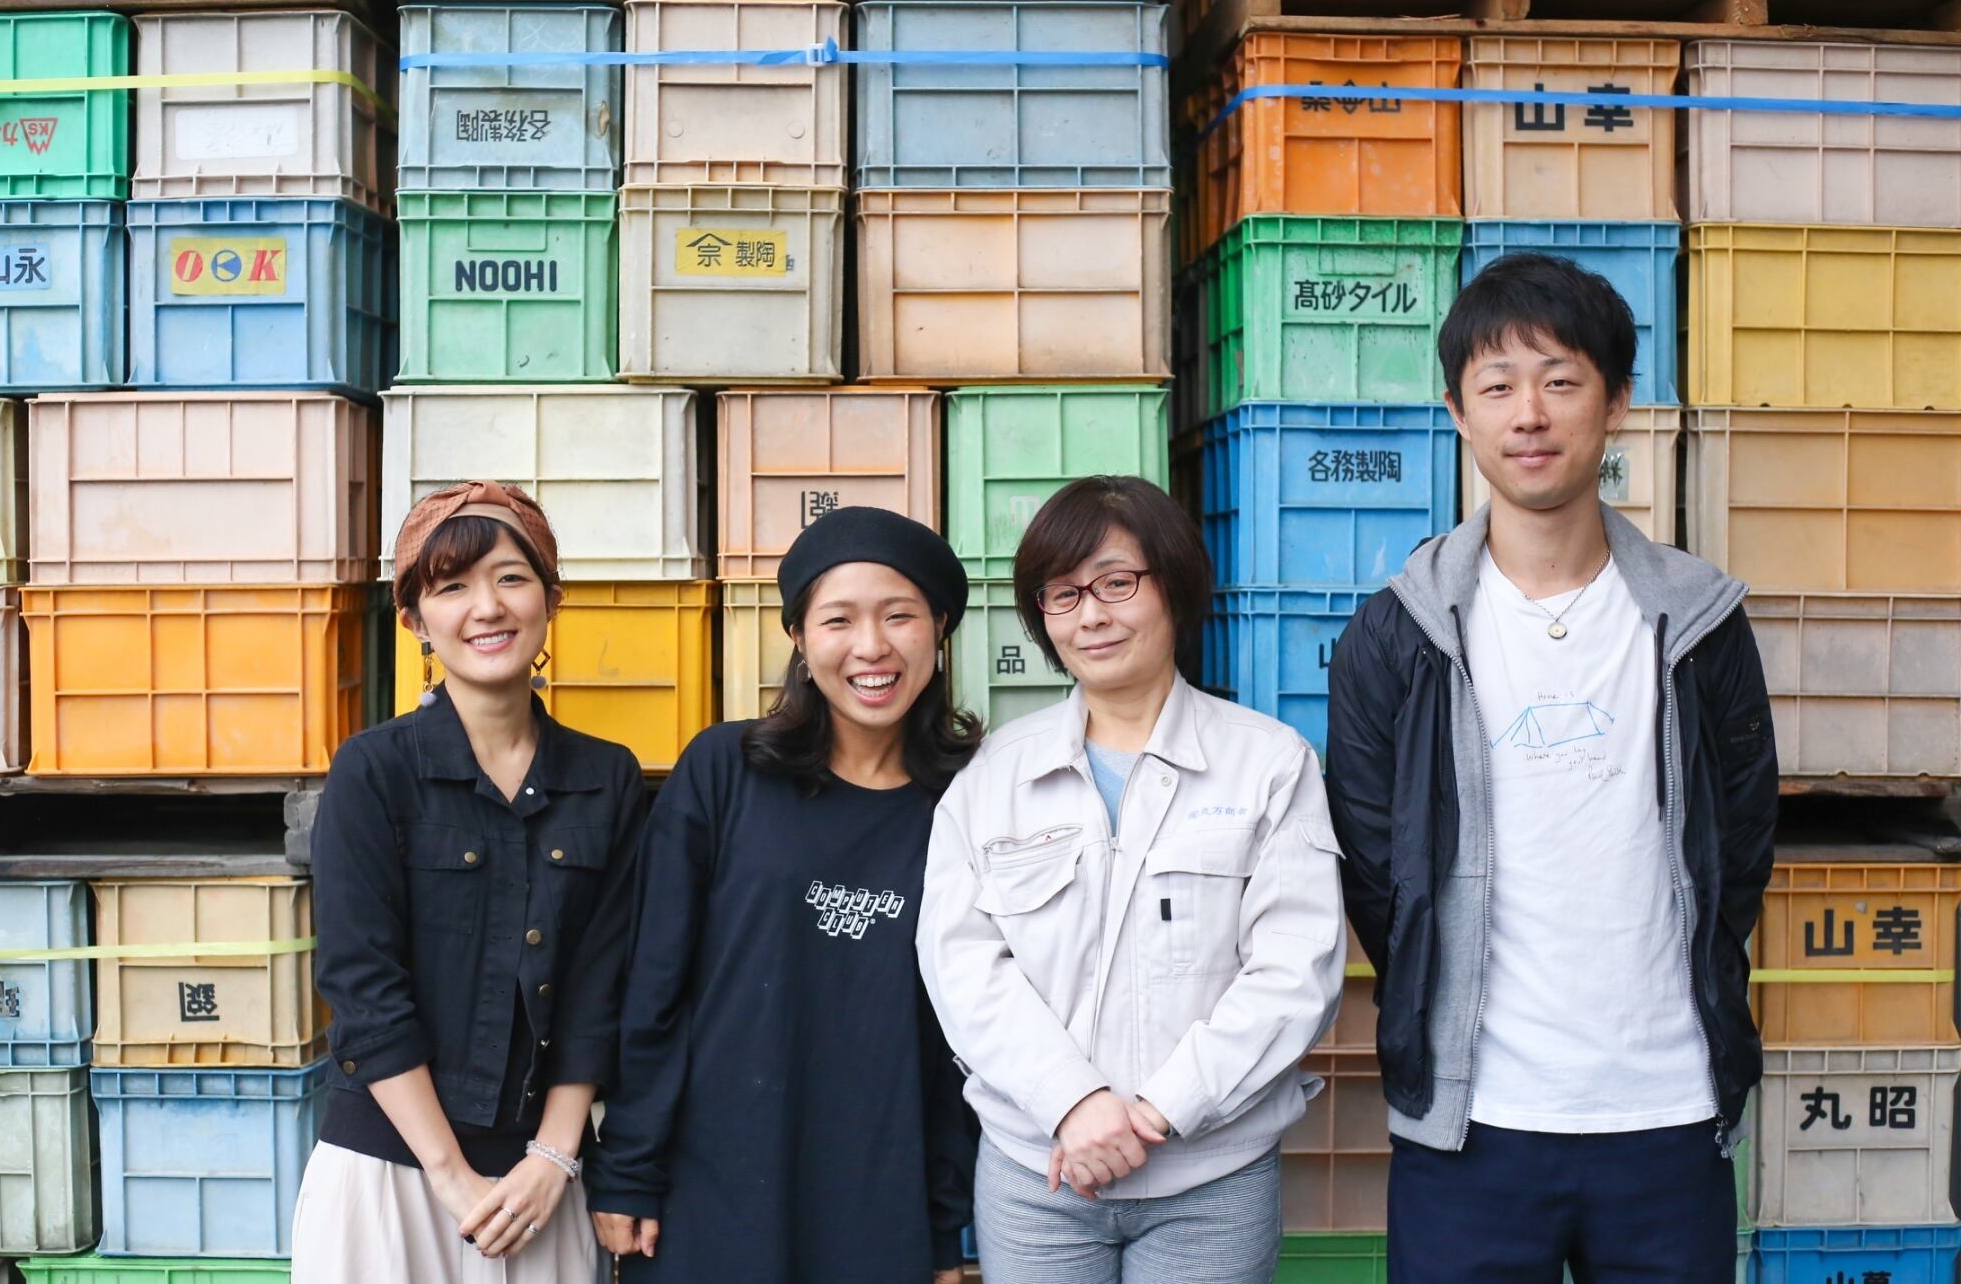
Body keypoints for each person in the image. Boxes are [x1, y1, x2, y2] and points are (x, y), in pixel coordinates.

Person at [1325, 252, 1779, 1282]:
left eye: (1560, 380)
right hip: (1471, 1120)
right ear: (1458, 412)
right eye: (1496, 386)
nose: (1528, 413)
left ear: (1616, 402)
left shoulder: (1698, 621)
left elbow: (1740, 841)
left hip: (1668, 1114)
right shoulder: (1397, 634)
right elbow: (1375, 869)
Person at [918, 475, 1345, 1284]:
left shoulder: (1268, 763)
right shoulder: (993, 775)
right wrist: (1074, 1103)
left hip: (1211, 1175)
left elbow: (1297, 969)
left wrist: (1157, 1111)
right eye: (1063, 593)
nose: (1091, 615)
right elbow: (963, 966)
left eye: (1116, 582)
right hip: (1040, 1172)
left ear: (1174, 587)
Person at [588, 506, 981, 1283]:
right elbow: (653, 986)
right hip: (711, 1187)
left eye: (899, 615)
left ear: (940, 627)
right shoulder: (724, 770)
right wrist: (629, 1167)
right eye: (838, 619)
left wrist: (943, 1225)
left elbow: (958, 1041)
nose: (872, 646)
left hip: (880, 1195)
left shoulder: (968, 800)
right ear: (799, 636)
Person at [293, 480, 645, 1282]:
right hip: (388, 1174)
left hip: (539, 1181)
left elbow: (601, 986)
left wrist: (553, 1156)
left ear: (551, 598)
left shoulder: (608, 779)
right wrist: (451, 1176)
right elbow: (363, 985)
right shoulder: (374, 770)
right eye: (452, 586)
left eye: (511, 578)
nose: (487, 607)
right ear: (415, 620)